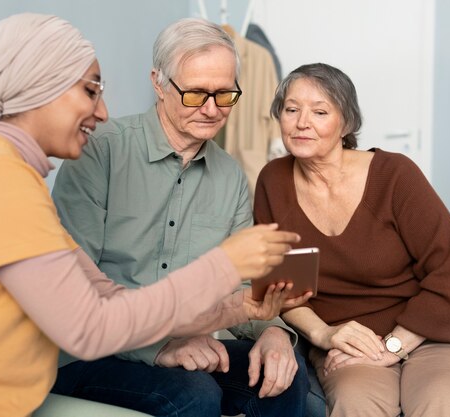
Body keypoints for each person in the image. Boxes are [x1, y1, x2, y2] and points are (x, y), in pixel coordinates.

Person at [0, 13, 308, 417]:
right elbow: (90, 329)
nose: (104, 112)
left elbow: (110, 298)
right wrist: (224, 265)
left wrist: (250, 312)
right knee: (191, 393)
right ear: (43, 90)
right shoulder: (0, 182)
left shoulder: (14, 179)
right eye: (91, 92)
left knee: (281, 380)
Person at [51, 17, 310, 417]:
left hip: (188, 346)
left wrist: (274, 332)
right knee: (194, 393)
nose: (211, 110)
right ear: (158, 82)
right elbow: (73, 288)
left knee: (284, 377)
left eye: (225, 95)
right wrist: (159, 347)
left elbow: (243, 284)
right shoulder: (99, 153)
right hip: (90, 352)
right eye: (195, 94)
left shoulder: (230, 176)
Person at [254, 62, 450, 417]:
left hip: (436, 332)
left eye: (320, 111)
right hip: (351, 342)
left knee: (437, 402)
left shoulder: (395, 175)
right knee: (356, 405)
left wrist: (394, 346)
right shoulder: (273, 181)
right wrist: (324, 335)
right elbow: (280, 289)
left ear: (347, 123)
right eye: (291, 109)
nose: (302, 122)